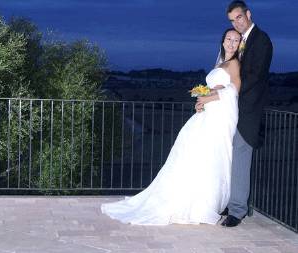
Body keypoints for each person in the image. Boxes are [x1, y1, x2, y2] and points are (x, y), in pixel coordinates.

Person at [101, 28, 241, 225]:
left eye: (236, 40)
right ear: (223, 41)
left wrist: (208, 97)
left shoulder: (234, 64)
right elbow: (218, 88)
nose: (232, 43)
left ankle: (202, 205)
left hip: (220, 117)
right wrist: (202, 100)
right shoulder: (221, 62)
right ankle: (189, 199)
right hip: (210, 113)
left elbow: (234, 90)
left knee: (210, 156)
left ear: (240, 44)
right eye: (229, 39)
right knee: (194, 154)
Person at [197, 1, 273, 227]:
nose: (236, 23)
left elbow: (254, 76)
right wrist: (212, 97)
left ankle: (237, 210)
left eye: (239, 17)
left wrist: (223, 91)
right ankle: (223, 201)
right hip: (227, 111)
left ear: (248, 14)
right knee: (223, 157)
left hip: (247, 112)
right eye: (232, 20)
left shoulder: (262, 40)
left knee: (240, 159)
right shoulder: (237, 41)